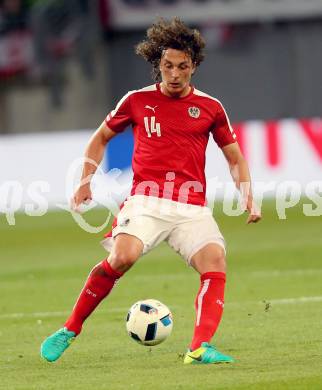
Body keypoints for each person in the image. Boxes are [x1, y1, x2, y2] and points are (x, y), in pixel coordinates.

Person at [40, 17, 261, 365]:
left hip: (191, 208)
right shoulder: (137, 101)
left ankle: (199, 348)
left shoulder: (211, 108)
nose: (174, 74)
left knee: (215, 263)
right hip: (146, 200)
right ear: (158, 65)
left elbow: (234, 157)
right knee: (122, 257)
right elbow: (100, 138)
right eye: (167, 66)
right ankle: (70, 329)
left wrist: (246, 192)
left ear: (194, 67)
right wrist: (85, 181)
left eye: (182, 67)